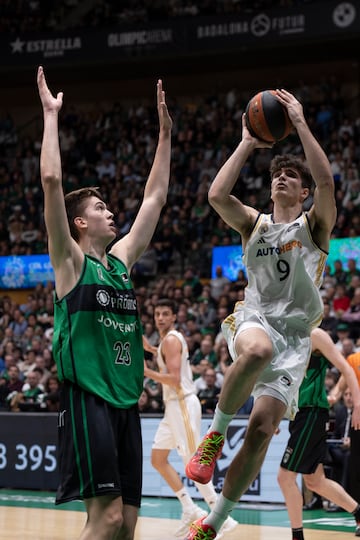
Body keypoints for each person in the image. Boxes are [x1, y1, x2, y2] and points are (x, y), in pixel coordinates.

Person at [184, 88, 337, 539]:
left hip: (295, 340)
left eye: (291, 176)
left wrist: (301, 122)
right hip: (255, 318)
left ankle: (210, 524)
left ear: (304, 190)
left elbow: (328, 185)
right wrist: (249, 142)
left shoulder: (314, 226)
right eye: (278, 175)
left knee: (263, 430)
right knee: (256, 349)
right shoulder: (256, 223)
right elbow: (216, 194)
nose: (282, 179)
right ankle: (212, 439)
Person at [37, 65, 172, 540]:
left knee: (128, 526)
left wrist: (165, 137)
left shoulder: (119, 263)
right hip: (88, 398)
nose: (111, 211)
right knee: (106, 520)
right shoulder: (71, 265)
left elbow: (154, 199)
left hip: (125, 405)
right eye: (99, 208)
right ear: (78, 224)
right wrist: (51, 116)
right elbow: (52, 182)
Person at [143, 299, 237, 538]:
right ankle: (189, 508)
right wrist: (151, 350)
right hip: (172, 407)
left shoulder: (172, 339)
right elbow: (166, 355)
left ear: (175, 317)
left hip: (182, 403)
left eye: (166, 313)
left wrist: (144, 371)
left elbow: (174, 379)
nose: (161, 318)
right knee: (157, 458)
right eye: (157, 314)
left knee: (193, 462)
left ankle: (219, 515)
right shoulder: (167, 341)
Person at [277, 327, 360, 539]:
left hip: (312, 413)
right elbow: (287, 385)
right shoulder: (289, 340)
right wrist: (276, 415)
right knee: (315, 481)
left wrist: (357, 405)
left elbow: (347, 369)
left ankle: (297, 535)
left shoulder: (315, 335)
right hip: (299, 414)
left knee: (284, 477)